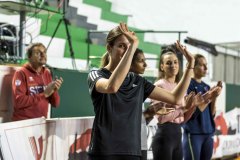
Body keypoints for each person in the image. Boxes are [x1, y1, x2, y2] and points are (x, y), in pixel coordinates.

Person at [87, 22, 195, 160]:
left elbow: (175, 98)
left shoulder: (138, 81)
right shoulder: (96, 74)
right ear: (109, 48)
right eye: (121, 46)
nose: (127, 50)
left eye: (128, 46)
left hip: (132, 152)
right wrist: (132, 46)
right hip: (104, 152)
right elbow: (111, 87)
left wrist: (190, 66)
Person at [144, 46, 203, 160]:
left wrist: (193, 106)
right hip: (164, 138)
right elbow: (162, 118)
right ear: (162, 66)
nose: (173, 65)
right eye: (168, 63)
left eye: (175, 62)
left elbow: (183, 119)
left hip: (177, 135)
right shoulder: (159, 85)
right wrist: (183, 109)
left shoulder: (179, 87)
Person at [182, 54, 222, 160]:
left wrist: (214, 97)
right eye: (202, 65)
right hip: (194, 133)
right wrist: (209, 97)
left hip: (208, 133)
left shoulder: (206, 87)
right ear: (193, 66)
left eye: (206, 65)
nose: (206, 68)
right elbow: (192, 113)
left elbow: (212, 114)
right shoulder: (187, 85)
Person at [12, 43, 63, 121]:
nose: (43, 55)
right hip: (23, 123)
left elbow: (56, 104)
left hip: (40, 123)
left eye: (45, 52)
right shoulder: (21, 73)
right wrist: (44, 94)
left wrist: (54, 90)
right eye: (38, 53)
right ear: (29, 57)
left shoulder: (47, 73)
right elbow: (19, 102)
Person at [129, 48, 148, 160]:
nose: (145, 64)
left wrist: (151, 112)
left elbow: (174, 98)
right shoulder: (120, 84)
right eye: (141, 61)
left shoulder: (141, 82)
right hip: (128, 144)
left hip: (141, 140)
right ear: (130, 62)